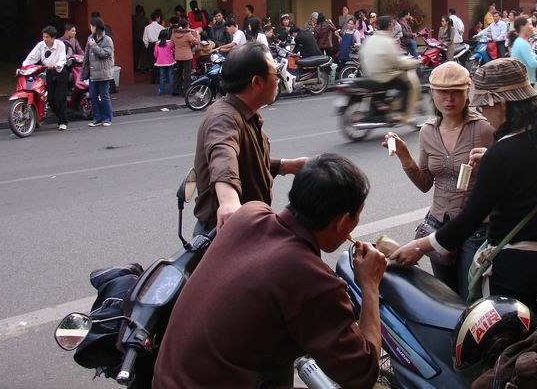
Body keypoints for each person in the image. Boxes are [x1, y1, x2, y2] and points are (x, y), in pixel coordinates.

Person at [154, 154, 385, 389]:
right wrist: (370, 284)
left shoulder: (248, 214)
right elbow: (363, 373)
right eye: (357, 215)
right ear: (343, 221)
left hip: (166, 377)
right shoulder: (311, 279)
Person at [392, 58, 537, 312]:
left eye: (485, 107)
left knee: (502, 332)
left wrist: (420, 246)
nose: (485, 114)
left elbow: (471, 217)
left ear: (499, 103)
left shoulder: (500, 152)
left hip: (515, 265)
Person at [384, 62, 494, 293]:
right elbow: (425, 184)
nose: (449, 98)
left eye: (457, 92)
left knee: (468, 295)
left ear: (467, 93)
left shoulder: (483, 129)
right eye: (442, 92)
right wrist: (405, 157)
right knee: (444, 293)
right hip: (437, 225)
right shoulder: (428, 131)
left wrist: (490, 164)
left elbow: (500, 182)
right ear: (432, 93)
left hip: (476, 229)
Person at [192, 42, 307, 232]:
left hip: (246, 227)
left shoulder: (242, 112)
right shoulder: (224, 118)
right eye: (275, 74)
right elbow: (223, 156)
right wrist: (229, 201)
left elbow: (244, 161)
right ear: (257, 82)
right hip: (225, 234)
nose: (278, 80)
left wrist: (288, 165)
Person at [359, 15, 420, 124]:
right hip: (384, 77)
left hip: (369, 74)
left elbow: (362, 55)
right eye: (392, 25)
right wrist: (415, 62)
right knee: (406, 87)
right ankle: (402, 114)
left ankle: (386, 107)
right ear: (389, 26)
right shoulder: (388, 41)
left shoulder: (369, 39)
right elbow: (398, 62)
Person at [22, 26, 68, 129]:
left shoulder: (60, 45)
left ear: (53, 38)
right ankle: (60, 116)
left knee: (60, 98)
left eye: (47, 37)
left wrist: (56, 65)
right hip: (49, 73)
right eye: (44, 37)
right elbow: (32, 57)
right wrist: (23, 67)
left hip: (60, 73)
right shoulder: (41, 45)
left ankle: (63, 122)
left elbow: (62, 58)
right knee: (51, 99)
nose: (45, 39)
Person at [83, 17, 115, 127]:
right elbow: (86, 55)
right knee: (93, 96)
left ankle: (107, 118)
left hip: (103, 73)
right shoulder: (90, 38)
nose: (90, 28)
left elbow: (105, 54)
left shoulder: (107, 39)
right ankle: (97, 118)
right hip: (92, 73)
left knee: (104, 95)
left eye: (91, 26)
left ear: (95, 27)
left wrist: (94, 46)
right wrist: (84, 71)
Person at [171, 18, 199, 94]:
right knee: (187, 74)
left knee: (178, 74)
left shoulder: (174, 33)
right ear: (186, 26)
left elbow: (172, 44)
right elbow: (196, 42)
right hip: (187, 56)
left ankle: (176, 90)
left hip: (178, 56)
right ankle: (186, 92)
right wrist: (196, 34)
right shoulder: (187, 34)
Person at [142, 11, 164, 83]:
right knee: (159, 61)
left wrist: (147, 46)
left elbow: (145, 39)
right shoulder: (161, 28)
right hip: (159, 44)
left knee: (152, 62)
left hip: (151, 45)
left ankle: (153, 79)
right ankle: (159, 79)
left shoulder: (147, 28)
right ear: (157, 18)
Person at [154, 29, 175, 96]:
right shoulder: (170, 43)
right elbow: (173, 50)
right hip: (170, 61)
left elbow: (155, 53)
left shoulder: (157, 43)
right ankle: (171, 91)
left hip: (160, 62)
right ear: (167, 35)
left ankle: (161, 91)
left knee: (162, 77)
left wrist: (158, 58)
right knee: (170, 76)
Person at [132, 5, 148, 71]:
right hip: (144, 39)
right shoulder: (145, 19)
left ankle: (135, 68)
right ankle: (142, 68)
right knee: (143, 55)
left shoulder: (133, 18)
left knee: (136, 54)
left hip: (136, 39)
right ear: (142, 11)